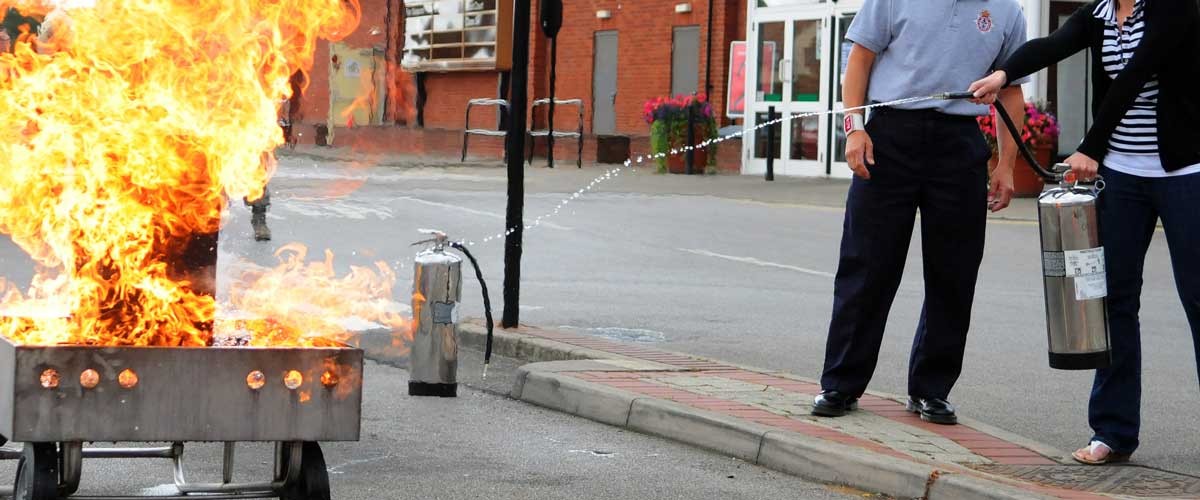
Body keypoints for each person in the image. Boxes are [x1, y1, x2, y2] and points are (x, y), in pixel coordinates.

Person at [969, 0, 1200, 465]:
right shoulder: (1098, 13)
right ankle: (1112, 431)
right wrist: (1003, 75)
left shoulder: (1175, 7)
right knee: (1113, 301)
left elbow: (1136, 75)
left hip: (1184, 171)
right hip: (1122, 177)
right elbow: (1054, 44)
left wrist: (1089, 146)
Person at [812, 0, 1029, 425]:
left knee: (955, 271)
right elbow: (860, 58)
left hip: (960, 142)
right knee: (867, 265)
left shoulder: (1008, 11)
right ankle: (840, 382)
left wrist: (1006, 163)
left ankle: (931, 389)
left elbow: (1012, 89)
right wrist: (854, 130)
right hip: (890, 133)